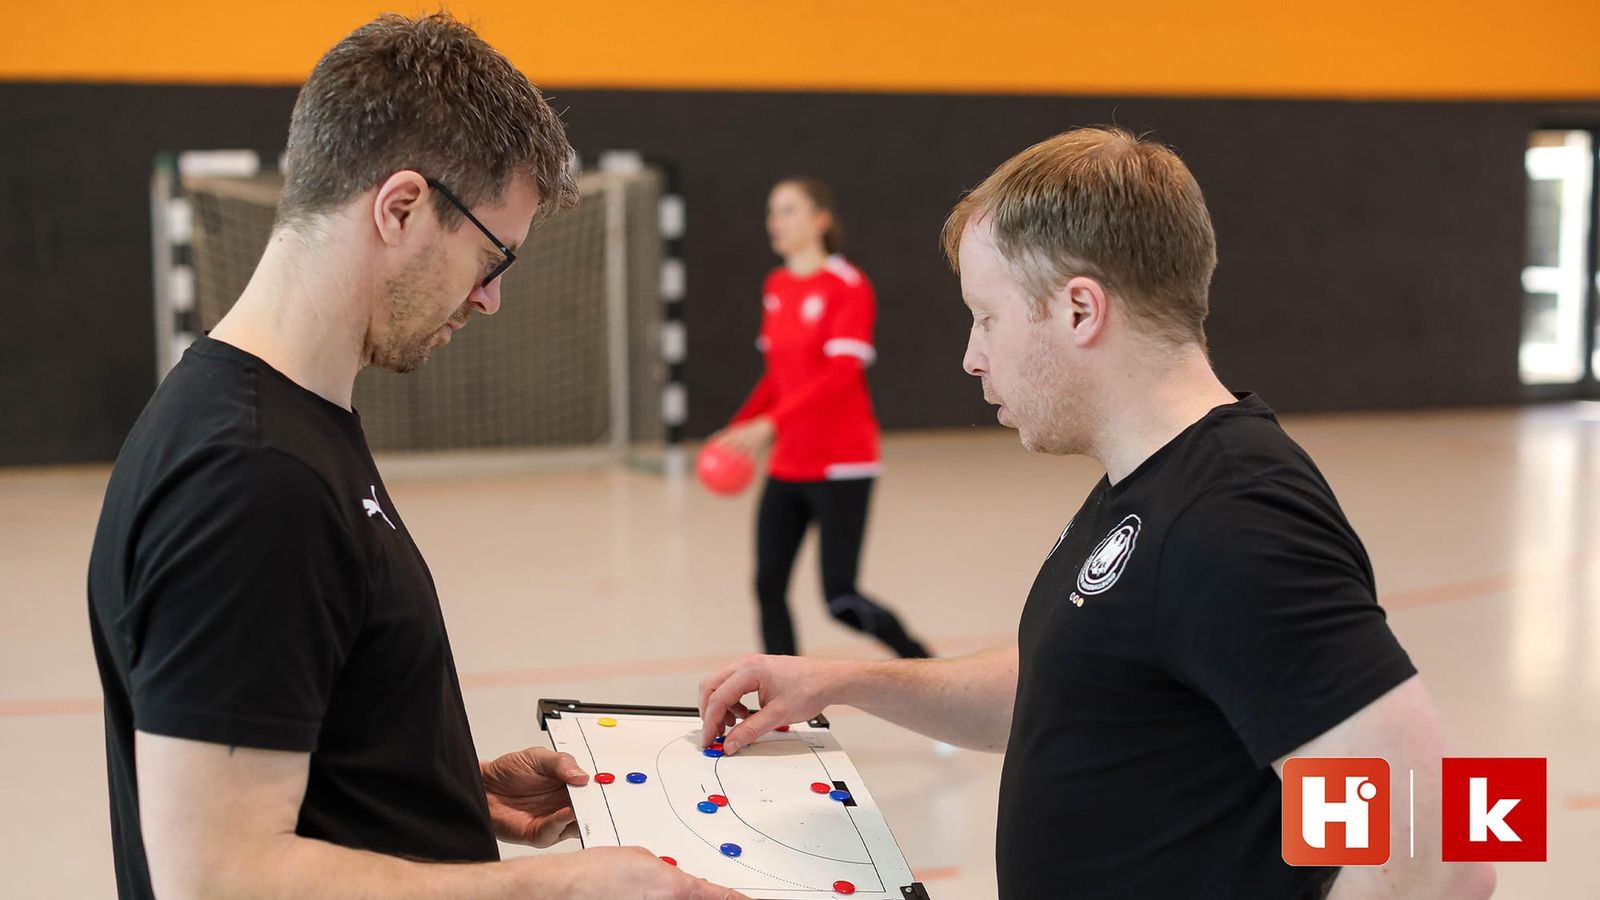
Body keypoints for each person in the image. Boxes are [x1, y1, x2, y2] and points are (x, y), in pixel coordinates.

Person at [698, 128, 1497, 899]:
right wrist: (840, 681)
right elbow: (1064, 682)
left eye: (987, 317)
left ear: (1080, 311)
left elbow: (1439, 861)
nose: (972, 356)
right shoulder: (1149, 478)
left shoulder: (1236, 516)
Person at [86, 13, 744, 900]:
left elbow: (288, 735)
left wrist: (439, 784)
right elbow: (217, 877)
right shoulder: (250, 476)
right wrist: (560, 889)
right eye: (491, 256)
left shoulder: (282, 422)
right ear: (400, 208)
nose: (491, 298)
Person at [711, 177, 930, 660]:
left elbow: (840, 375)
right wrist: (741, 424)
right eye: (772, 211)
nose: (776, 221)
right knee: (768, 584)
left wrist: (770, 424)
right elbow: (779, 377)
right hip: (788, 463)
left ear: (820, 220)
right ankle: (783, 693)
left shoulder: (847, 285)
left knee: (840, 599)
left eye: (789, 210)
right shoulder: (776, 286)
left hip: (842, 465)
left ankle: (921, 661)